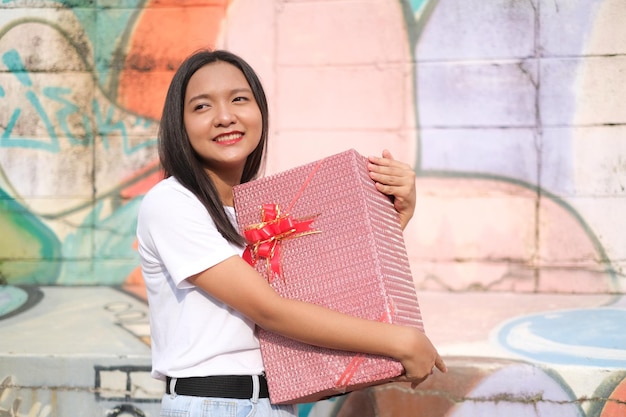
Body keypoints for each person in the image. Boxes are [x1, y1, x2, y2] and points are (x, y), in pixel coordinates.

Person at [136, 49, 446, 417]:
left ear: (260, 113)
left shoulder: (254, 210)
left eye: (239, 99)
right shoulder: (172, 203)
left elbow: (323, 295)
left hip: (277, 403)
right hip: (215, 405)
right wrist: (401, 340)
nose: (224, 117)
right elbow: (269, 310)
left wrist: (396, 215)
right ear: (180, 125)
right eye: (202, 107)